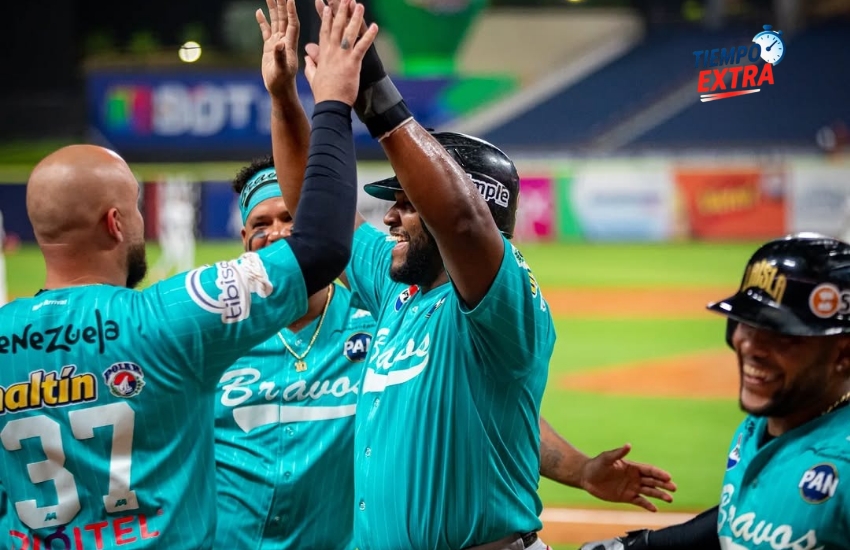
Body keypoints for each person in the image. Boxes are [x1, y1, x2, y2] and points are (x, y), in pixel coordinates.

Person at [268, 3, 676, 548]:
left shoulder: (504, 302)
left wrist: (370, 95)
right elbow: (313, 210)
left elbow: (460, 222)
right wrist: (284, 98)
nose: (389, 218)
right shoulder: (398, 287)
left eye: (408, 204)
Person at [0, 2, 378, 547]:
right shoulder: (168, 320)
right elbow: (321, 244)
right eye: (135, 207)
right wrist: (334, 102)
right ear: (115, 224)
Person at [578, 232, 850, 550]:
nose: (752, 346)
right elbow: (756, 514)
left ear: (844, 355)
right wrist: (639, 546)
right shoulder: (761, 424)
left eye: (781, 335)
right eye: (746, 323)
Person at [214, 157, 376, 550]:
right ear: (244, 237)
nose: (277, 233)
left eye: (290, 218)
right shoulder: (213, 333)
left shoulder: (374, 324)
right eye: (261, 224)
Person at [150, 177, 197, 280]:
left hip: (185, 235)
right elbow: (167, 226)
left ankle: (185, 276)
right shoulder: (171, 209)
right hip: (174, 236)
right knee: (172, 256)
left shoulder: (185, 207)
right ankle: (158, 271)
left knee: (186, 256)